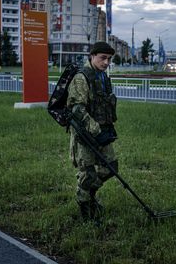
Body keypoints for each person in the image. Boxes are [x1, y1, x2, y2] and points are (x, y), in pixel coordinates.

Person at [67, 41, 118, 223]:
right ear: (93, 56)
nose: (106, 62)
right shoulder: (82, 77)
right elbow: (77, 109)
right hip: (85, 134)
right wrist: (94, 129)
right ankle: (86, 211)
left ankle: (88, 194)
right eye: (103, 58)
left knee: (111, 167)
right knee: (88, 173)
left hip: (102, 131)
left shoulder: (103, 76)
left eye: (109, 59)